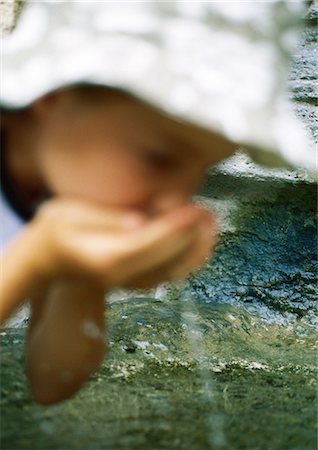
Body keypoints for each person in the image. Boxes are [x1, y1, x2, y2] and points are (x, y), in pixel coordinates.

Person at [0, 83, 237, 404]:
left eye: (199, 173)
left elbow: (53, 381)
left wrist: (83, 276)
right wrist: (35, 257)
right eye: (159, 160)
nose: (175, 203)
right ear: (53, 93)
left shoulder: (59, 188)